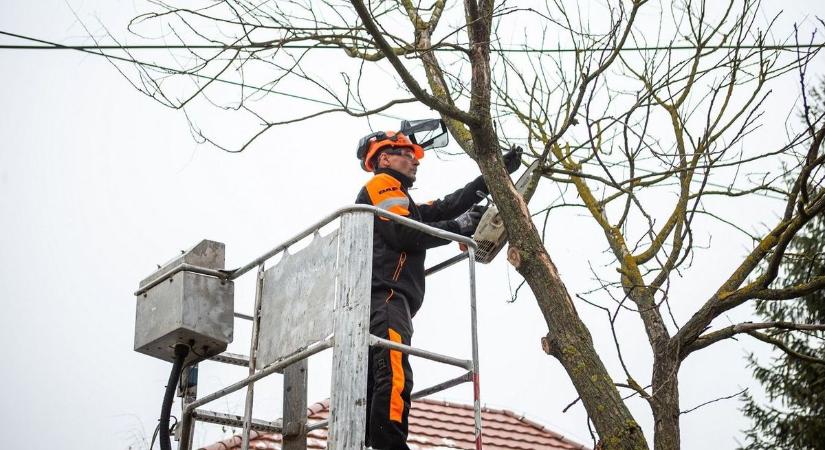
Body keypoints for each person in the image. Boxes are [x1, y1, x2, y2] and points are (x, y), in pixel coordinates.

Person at [355, 129, 521, 449]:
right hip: (386, 296)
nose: (416, 160)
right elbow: (406, 233)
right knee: (393, 373)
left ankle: (370, 440)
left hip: (385, 299)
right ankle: (389, 444)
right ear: (384, 158)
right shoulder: (382, 186)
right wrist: (459, 229)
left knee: (379, 376)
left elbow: (446, 206)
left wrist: (491, 176)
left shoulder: (402, 198)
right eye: (407, 154)